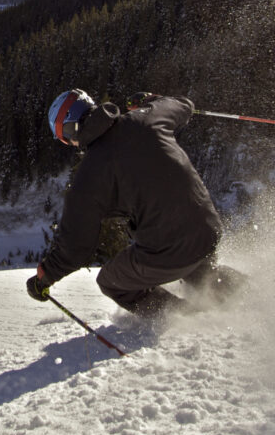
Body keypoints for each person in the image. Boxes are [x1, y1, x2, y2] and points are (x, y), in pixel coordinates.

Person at [27, 90, 244, 316]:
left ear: (72, 129)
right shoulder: (147, 117)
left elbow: (75, 246)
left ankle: (186, 319)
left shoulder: (90, 173)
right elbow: (182, 104)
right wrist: (151, 102)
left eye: (63, 136)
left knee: (111, 281)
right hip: (206, 228)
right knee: (201, 273)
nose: (69, 143)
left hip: (168, 249)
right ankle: (253, 296)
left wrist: (44, 278)